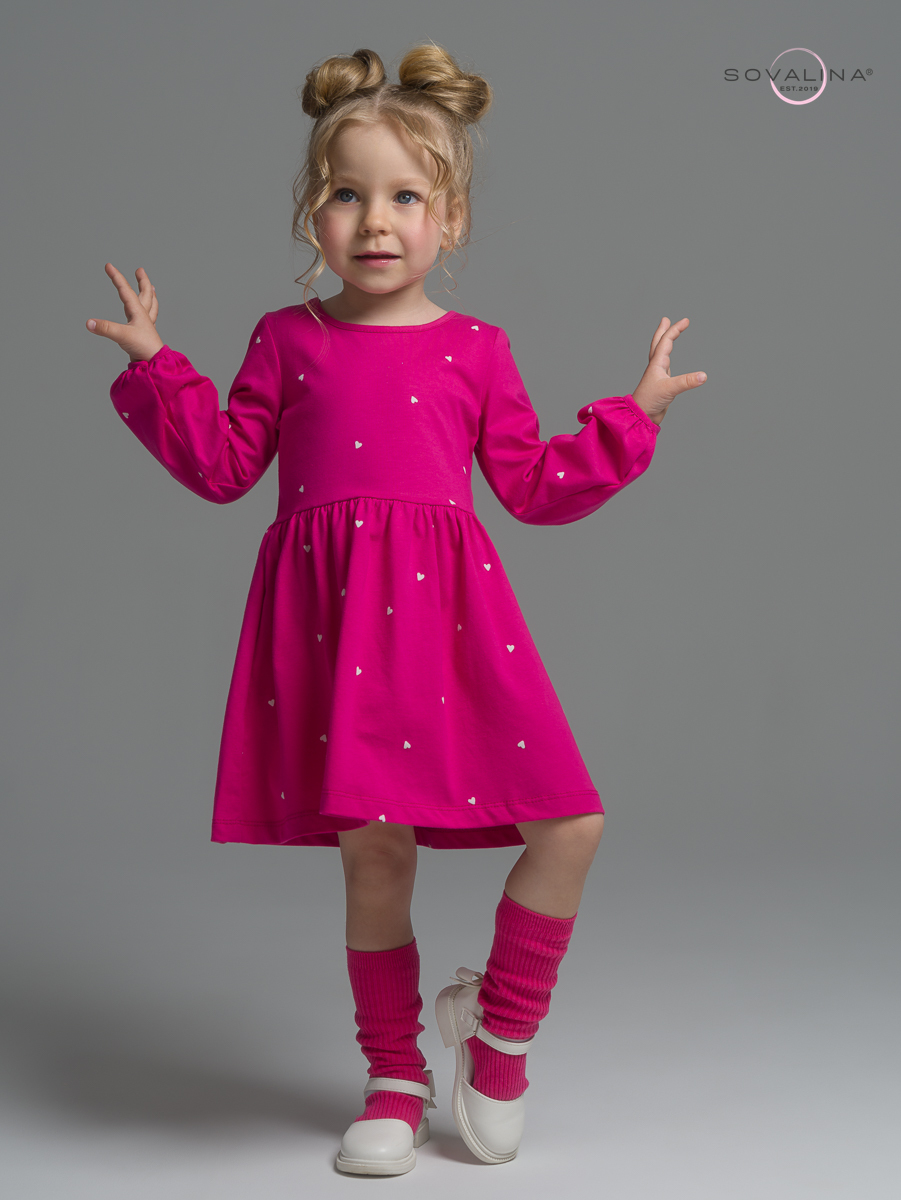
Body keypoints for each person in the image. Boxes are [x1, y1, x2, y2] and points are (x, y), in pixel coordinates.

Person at [86, 43, 706, 1176]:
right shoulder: (287, 339)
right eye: (346, 194)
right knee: (374, 858)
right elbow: (224, 466)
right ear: (311, 215)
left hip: (454, 627)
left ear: (450, 218)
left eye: (406, 196)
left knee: (569, 823)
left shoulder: (477, 350)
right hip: (333, 628)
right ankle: (392, 1077)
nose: (375, 221)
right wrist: (157, 364)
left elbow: (532, 483)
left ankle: (499, 1036)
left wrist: (635, 415)